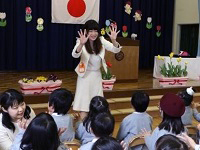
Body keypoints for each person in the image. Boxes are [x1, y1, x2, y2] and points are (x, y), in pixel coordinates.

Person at [72, 19, 121, 119]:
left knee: (98, 103)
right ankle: (83, 128)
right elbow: (75, 55)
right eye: (90, 31)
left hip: (96, 75)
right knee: (84, 105)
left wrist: (114, 40)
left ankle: (95, 127)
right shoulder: (81, 40)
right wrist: (81, 44)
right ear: (86, 31)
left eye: (95, 31)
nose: (93, 34)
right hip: (84, 76)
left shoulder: (101, 40)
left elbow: (115, 49)